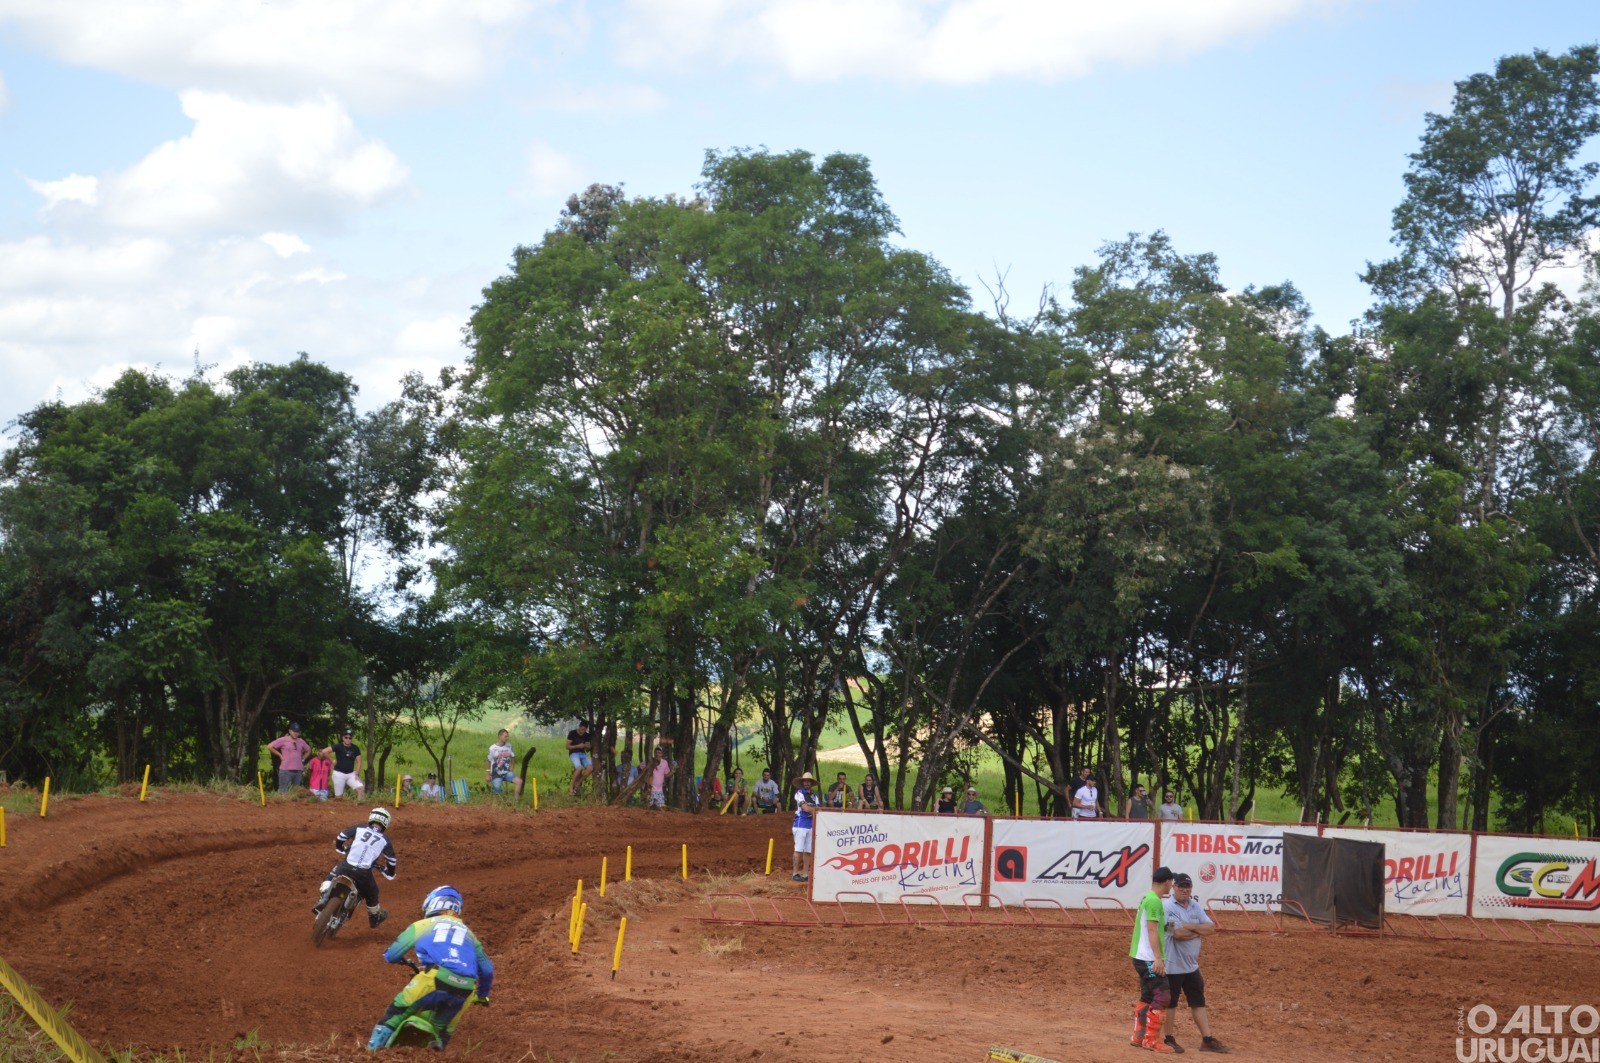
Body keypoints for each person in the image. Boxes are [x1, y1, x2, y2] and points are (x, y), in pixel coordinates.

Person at [367, 885, 494, 1052]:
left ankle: (370, 1054)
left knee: (395, 1014)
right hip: (466, 989)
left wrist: (389, 955)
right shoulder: (470, 935)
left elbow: (392, 956)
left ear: (432, 903)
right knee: (441, 1033)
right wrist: (482, 996)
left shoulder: (422, 925)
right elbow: (487, 970)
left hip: (433, 980)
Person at [1162, 872, 1231, 1053]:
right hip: (1172, 965)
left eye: (1187, 887)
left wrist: (1188, 926)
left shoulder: (1194, 906)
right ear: (1174, 888)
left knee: (1198, 1001)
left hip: (1191, 966)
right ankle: (1168, 1038)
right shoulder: (1166, 907)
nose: (1185, 890)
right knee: (1171, 1003)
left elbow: (1211, 928)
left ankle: (1207, 1039)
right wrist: (1198, 930)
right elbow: (1176, 934)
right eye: (1181, 886)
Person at [314, 806, 397, 930]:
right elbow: (392, 860)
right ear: (386, 823)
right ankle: (374, 917)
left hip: (346, 867)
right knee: (372, 893)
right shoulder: (385, 840)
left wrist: (341, 848)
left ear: (371, 817)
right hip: (363, 874)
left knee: (331, 876)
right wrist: (389, 872)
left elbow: (341, 837)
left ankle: (324, 896)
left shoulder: (359, 828)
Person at [1129, 865, 1176, 1053]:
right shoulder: (1154, 902)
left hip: (1141, 956)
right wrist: (1158, 959)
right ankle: (1150, 1039)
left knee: (1148, 995)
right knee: (1163, 996)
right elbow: (1151, 929)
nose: (1171, 886)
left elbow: (1157, 928)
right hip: (1148, 957)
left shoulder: (1149, 898)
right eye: (1171, 883)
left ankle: (1139, 1035)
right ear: (1166, 882)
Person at [266, 722, 311, 793]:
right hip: (286, 770)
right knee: (283, 791)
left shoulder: (301, 741)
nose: (295, 733)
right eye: (294, 731)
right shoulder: (283, 739)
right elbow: (270, 746)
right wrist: (280, 755)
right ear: (289, 731)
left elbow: (308, 750)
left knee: (296, 792)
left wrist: (303, 759)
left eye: (297, 731)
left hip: (298, 770)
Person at [792, 772, 821, 881]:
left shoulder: (814, 795)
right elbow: (806, 808)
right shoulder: (799, 793)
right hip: (801, 823)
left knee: (808, 850)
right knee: (798, 849)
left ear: (811, 783)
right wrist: (814, 811)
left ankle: (805, 873)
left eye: (809, 781)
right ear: (802, 782)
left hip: (810, 824)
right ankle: (795, 873)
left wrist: (813, 811)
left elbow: (817, 809)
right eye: (805, 781)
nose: (807, 783)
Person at [322, 730, 366, 799]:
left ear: (352, 739)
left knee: (361, 789)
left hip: (351, 774)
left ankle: (359, 806)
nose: (348, 739)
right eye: (346, 737)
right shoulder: (338, 746)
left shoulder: (355, 748)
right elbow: (324, 751)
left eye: (350, 738)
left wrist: (357, 773)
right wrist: (332, 760)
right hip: (339, 773)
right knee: (338, 797)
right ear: (343, 738)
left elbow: (359, 761)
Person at [486, 729, 523, 799]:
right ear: (500, 736)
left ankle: (516, 800)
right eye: (505, 736)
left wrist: (512, 767)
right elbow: (488, 761)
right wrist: (488, 774)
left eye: (507, 736)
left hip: (506, 772)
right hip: (496, 773)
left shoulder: (509, 746)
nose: (507, 738)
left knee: (519, 781)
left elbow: (513, 757)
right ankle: (498, 803)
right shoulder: (492, 748)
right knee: (497, 788)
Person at [566, 720, 593, 796]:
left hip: (582, 753)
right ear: (579, 727)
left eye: (584, 730)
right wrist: (578, 746)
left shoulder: (587, 735)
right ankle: (571, 786)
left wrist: (587, 746)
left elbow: (587, 748)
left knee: (590, 768)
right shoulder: (572, 733)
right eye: (582, 729)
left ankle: (578, 783)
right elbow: (567, 747)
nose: (583, 731)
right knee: (579, 768)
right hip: (574, 753)